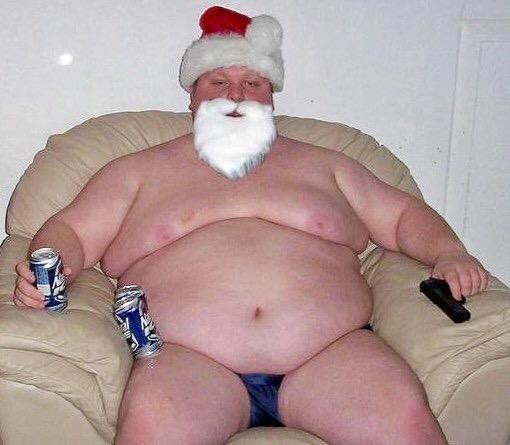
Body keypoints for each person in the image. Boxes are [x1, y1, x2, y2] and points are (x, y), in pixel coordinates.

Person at [14, 6, 487, 445]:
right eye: (218, 81)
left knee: (405, 419)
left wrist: (448, 252)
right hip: (186, 364)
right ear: (192, 96)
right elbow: (71, 232)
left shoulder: (327, 165)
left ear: (271, 97)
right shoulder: (136, 172)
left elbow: (402, 216)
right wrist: (46, 271)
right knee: (153, 428)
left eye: (253, 83)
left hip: (333, 355)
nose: (236, 94)